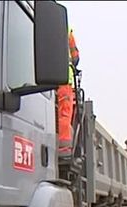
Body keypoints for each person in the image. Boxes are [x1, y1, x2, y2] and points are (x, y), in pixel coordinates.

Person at [57, 27, 80, 157]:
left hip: (43, 78)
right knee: (64, 114)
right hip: (64, 79)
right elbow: (76, 57)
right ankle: (63, 149)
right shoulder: (66, 27)